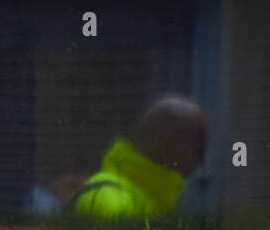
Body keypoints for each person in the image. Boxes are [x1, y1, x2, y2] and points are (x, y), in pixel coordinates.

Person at [68, 93, 207, 221]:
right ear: (167, 144)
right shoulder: (111, 200)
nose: (202, 160)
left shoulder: (155, 200)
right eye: (198, 148)